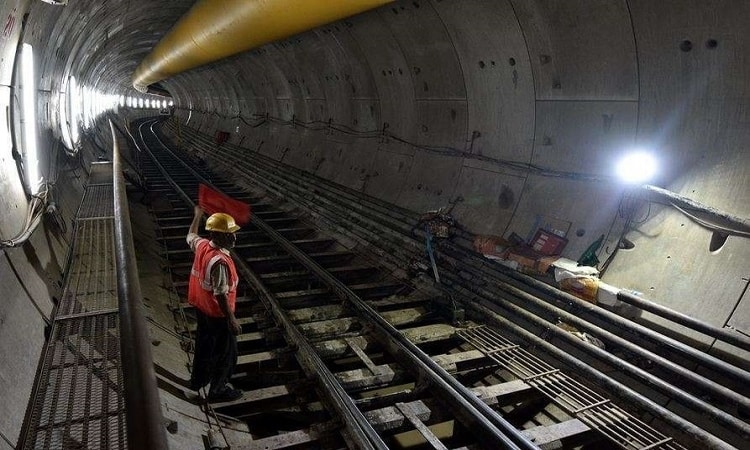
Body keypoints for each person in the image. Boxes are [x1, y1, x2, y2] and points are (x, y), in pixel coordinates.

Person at [186, 205, 243, 402]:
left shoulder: (202, 245)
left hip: (202, 309)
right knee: (227, 353)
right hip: (218, 315)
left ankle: (197, 381)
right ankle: (217, 390)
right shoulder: (220, 262)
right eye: (230, 234)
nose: (234, 238)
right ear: (217, 235)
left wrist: (197, 216)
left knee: (204, 346)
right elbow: (221, 294)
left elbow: (191, 235)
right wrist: (232, 320)